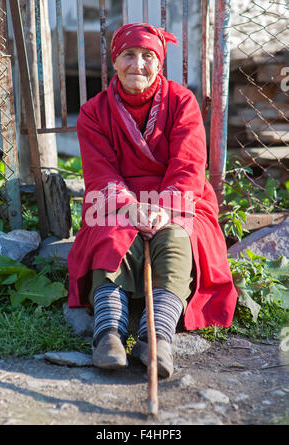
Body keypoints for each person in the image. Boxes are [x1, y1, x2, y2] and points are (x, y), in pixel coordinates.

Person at [67, 22, 238, 378]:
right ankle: (109, 333)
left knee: (177, 236)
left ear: (160, 64)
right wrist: (130, 207)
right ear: (115, 60)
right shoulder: (94, 112)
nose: (138, 65)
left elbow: (189, 164)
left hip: (178, 195)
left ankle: (156, 336)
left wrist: (163, 208)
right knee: (110, 231)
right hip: (116, 198)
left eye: (148, 56)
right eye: (129, 54)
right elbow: (100, 174)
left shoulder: (181, 101)